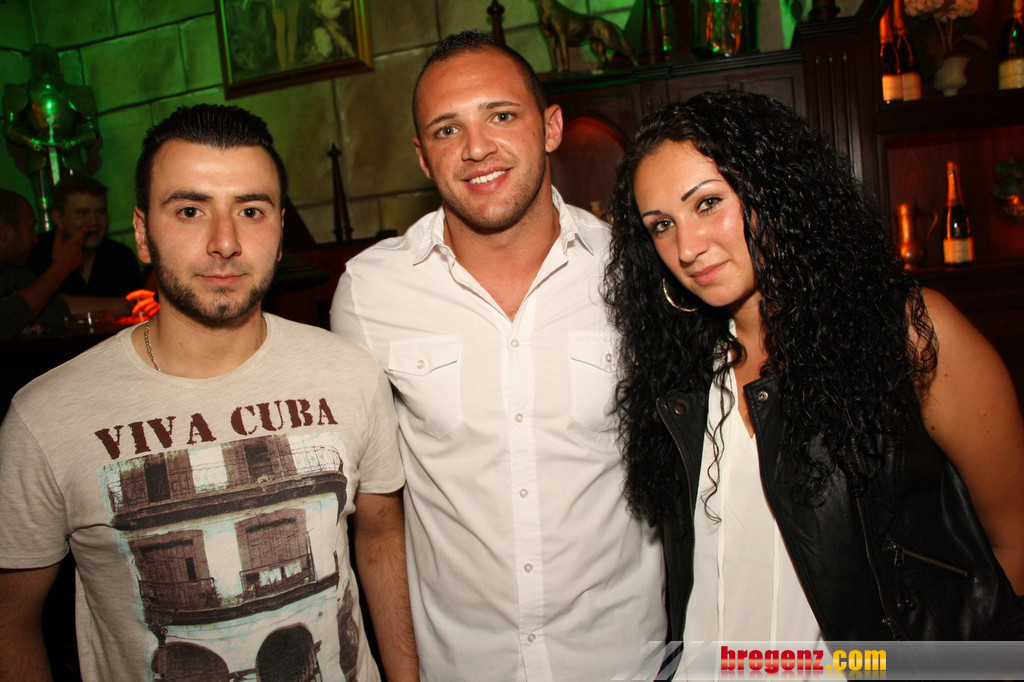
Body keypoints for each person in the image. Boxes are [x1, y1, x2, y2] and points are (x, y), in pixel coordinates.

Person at [604, 89, 1024, 667]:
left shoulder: (906, 334)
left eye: (708, 203)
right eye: (660, 225)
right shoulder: (680, 372)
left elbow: (1014, 535)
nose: (687, 246)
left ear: (775, 189)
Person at [0, 104, 418, 681]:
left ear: (279, 231)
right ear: (142, 233)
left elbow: (382, 534)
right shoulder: (45, 418)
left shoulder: (350, 373)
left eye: (250, 210)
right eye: (190, 210)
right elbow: (10, 620)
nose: (225, 241)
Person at [331, 30, 665, 681]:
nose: (476, 147)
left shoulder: (635, 270)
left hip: (623, 662)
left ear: (551, 127)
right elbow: (375, 515)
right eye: (447, 129)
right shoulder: (370, 294)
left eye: (502, 116)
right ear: (422, 157)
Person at [28, 175, 144, 299]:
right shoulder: (34, 254)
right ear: (58, 217)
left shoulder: (120, 256)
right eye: (82, 213)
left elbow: (136, 305)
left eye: (100, 212)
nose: (94, 221)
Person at [0, 188, 86, 338]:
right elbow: (5, 321)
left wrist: (127, 304)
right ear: (3, 232)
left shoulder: (16, 271)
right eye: (30, 228)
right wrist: (61, 267)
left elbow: (57, 310)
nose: (35, 239)